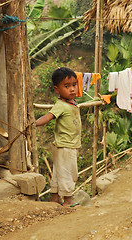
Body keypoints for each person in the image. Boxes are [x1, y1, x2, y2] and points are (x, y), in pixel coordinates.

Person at [35, 67, 81, 207]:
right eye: (67, 86)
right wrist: (34, 124)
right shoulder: (60, 105)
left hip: (66, 145)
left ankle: (55, 199)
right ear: (57, 89)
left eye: (74, 85)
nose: (72, 89)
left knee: (58, 172)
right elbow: (48, 117)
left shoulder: (72, 103)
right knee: (69, 172)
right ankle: (68, 201)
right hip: (65, 146)